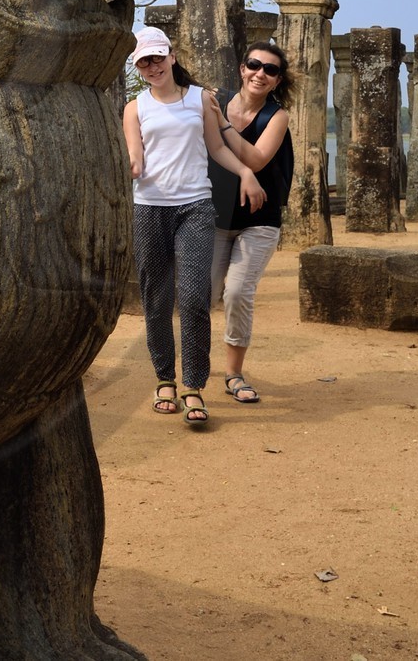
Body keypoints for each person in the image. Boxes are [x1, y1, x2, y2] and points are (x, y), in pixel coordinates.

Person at [123, 27, 265, 427]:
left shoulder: (200, 98)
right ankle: (164, 378)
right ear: (139, 68)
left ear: (171, 56)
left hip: (195, 206)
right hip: (150, 206)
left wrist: (245, 173)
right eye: (144, 62)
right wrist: (130, 167)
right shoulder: (135, 107)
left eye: (157, 58)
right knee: (156, 297)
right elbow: (137, 156)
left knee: (193, 298)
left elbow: (216, 146)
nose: (153, 67)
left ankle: (193, 385)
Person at [207, 40, 296, 405]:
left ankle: (234, 373)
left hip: (259, 219)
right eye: (254, 65)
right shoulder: (212, 99)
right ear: (242, 68)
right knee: (201, 295)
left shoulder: (277, 116)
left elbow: (258, 160)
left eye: (270, 70)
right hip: (212, 217)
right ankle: (195, 368)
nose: (261, 73)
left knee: (238, 292)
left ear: (277, 80)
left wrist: (223, 122)